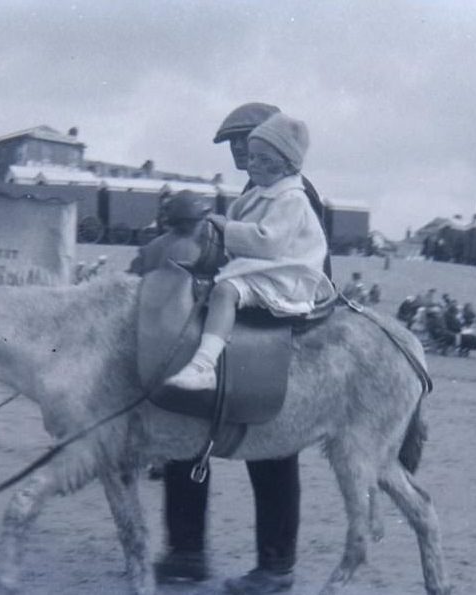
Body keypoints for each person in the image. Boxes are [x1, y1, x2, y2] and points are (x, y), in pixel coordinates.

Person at [157, 106, 333, 595]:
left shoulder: (296, 195)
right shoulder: (255, 192)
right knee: (189, 426)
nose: (238, 154)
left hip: (282, 329)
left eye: (245, 144)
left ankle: (276, 565)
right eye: (235, 146)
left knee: (273, 446)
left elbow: (307, 265)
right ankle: (186, 550)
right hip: (248, 313)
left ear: (281, 155)